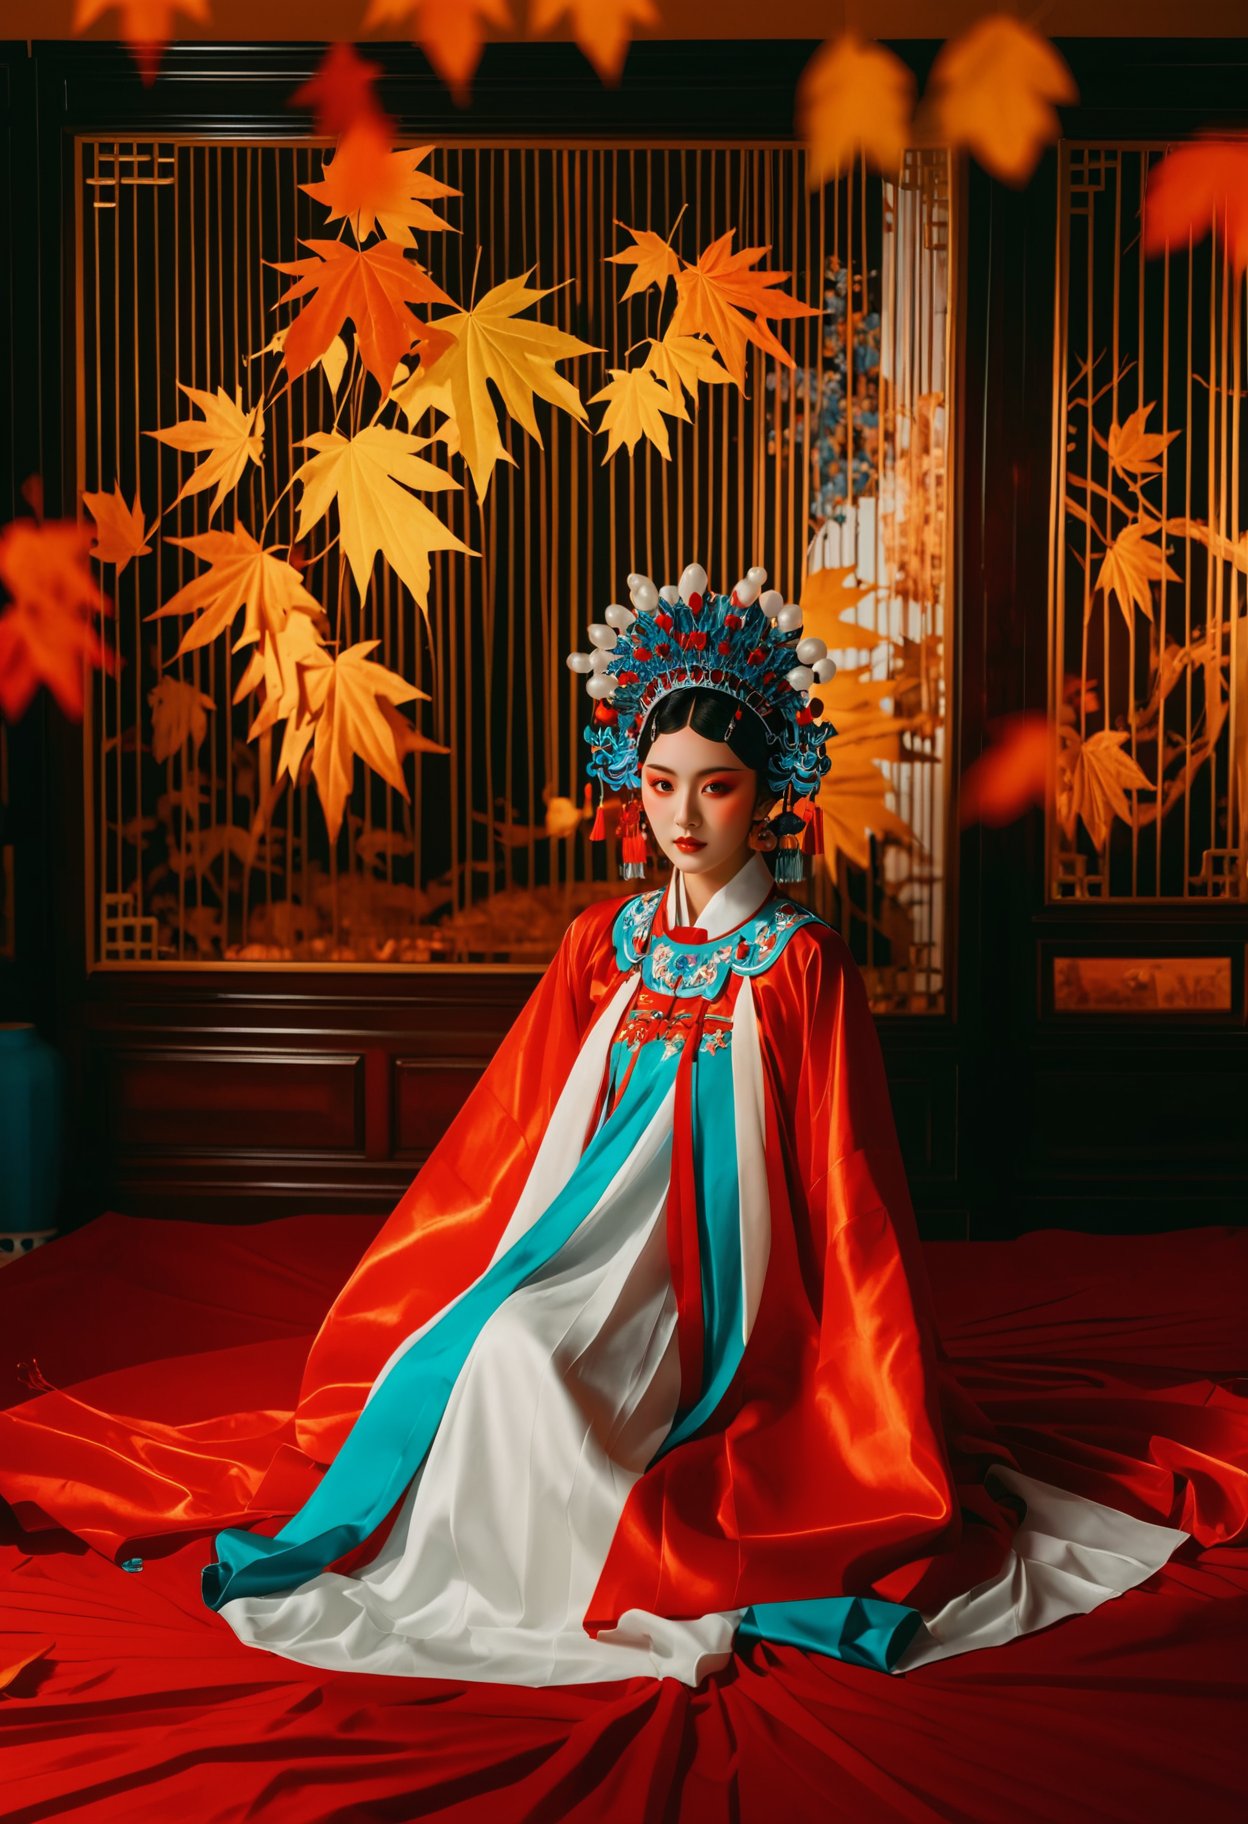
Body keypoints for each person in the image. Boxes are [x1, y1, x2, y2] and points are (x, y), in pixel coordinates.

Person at [0, 562, 1190, 1690]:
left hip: (725, 1294)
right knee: (485, 1348)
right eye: (661, 781)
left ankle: (574, 1560)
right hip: (575, 1246)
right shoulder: (604, 941)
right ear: (635, 778)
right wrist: (455, 1279)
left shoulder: (799, 960)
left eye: (715, 785)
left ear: (768, 795)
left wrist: (867, 1375)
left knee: (532, 1369)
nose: (683, 813)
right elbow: (508, 1132)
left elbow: (849, 1175)